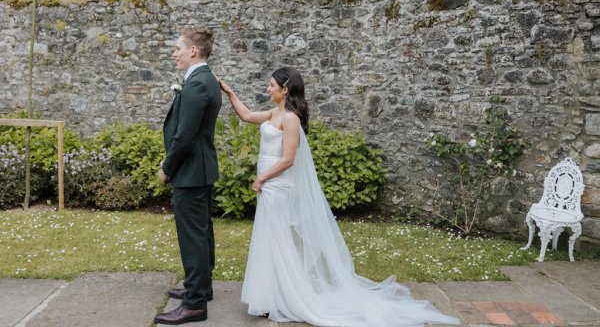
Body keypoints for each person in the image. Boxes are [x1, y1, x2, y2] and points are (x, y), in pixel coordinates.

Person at [216, 66, 460, 327]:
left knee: (278, 240)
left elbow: (288, 159)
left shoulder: (290, 120)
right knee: (268, 239)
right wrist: (229, 92)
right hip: (269, 187)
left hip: (277, 186)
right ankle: (270, 297)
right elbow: (246, 115)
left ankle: (285, 297)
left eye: (271, 85)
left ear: (285, 89)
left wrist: (262, 178)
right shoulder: (274, 113)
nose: (268, 88)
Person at [154, 28, 222, 325]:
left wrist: (167, 168)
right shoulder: (204, 80)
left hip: (191, 172)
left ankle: (194, 304)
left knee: (192, 237)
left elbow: (184, 137)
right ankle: (201, 288)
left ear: (194, 50)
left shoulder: (197, 84)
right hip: (198, 169)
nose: (174, 53)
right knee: (201, 231)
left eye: (178, 47)